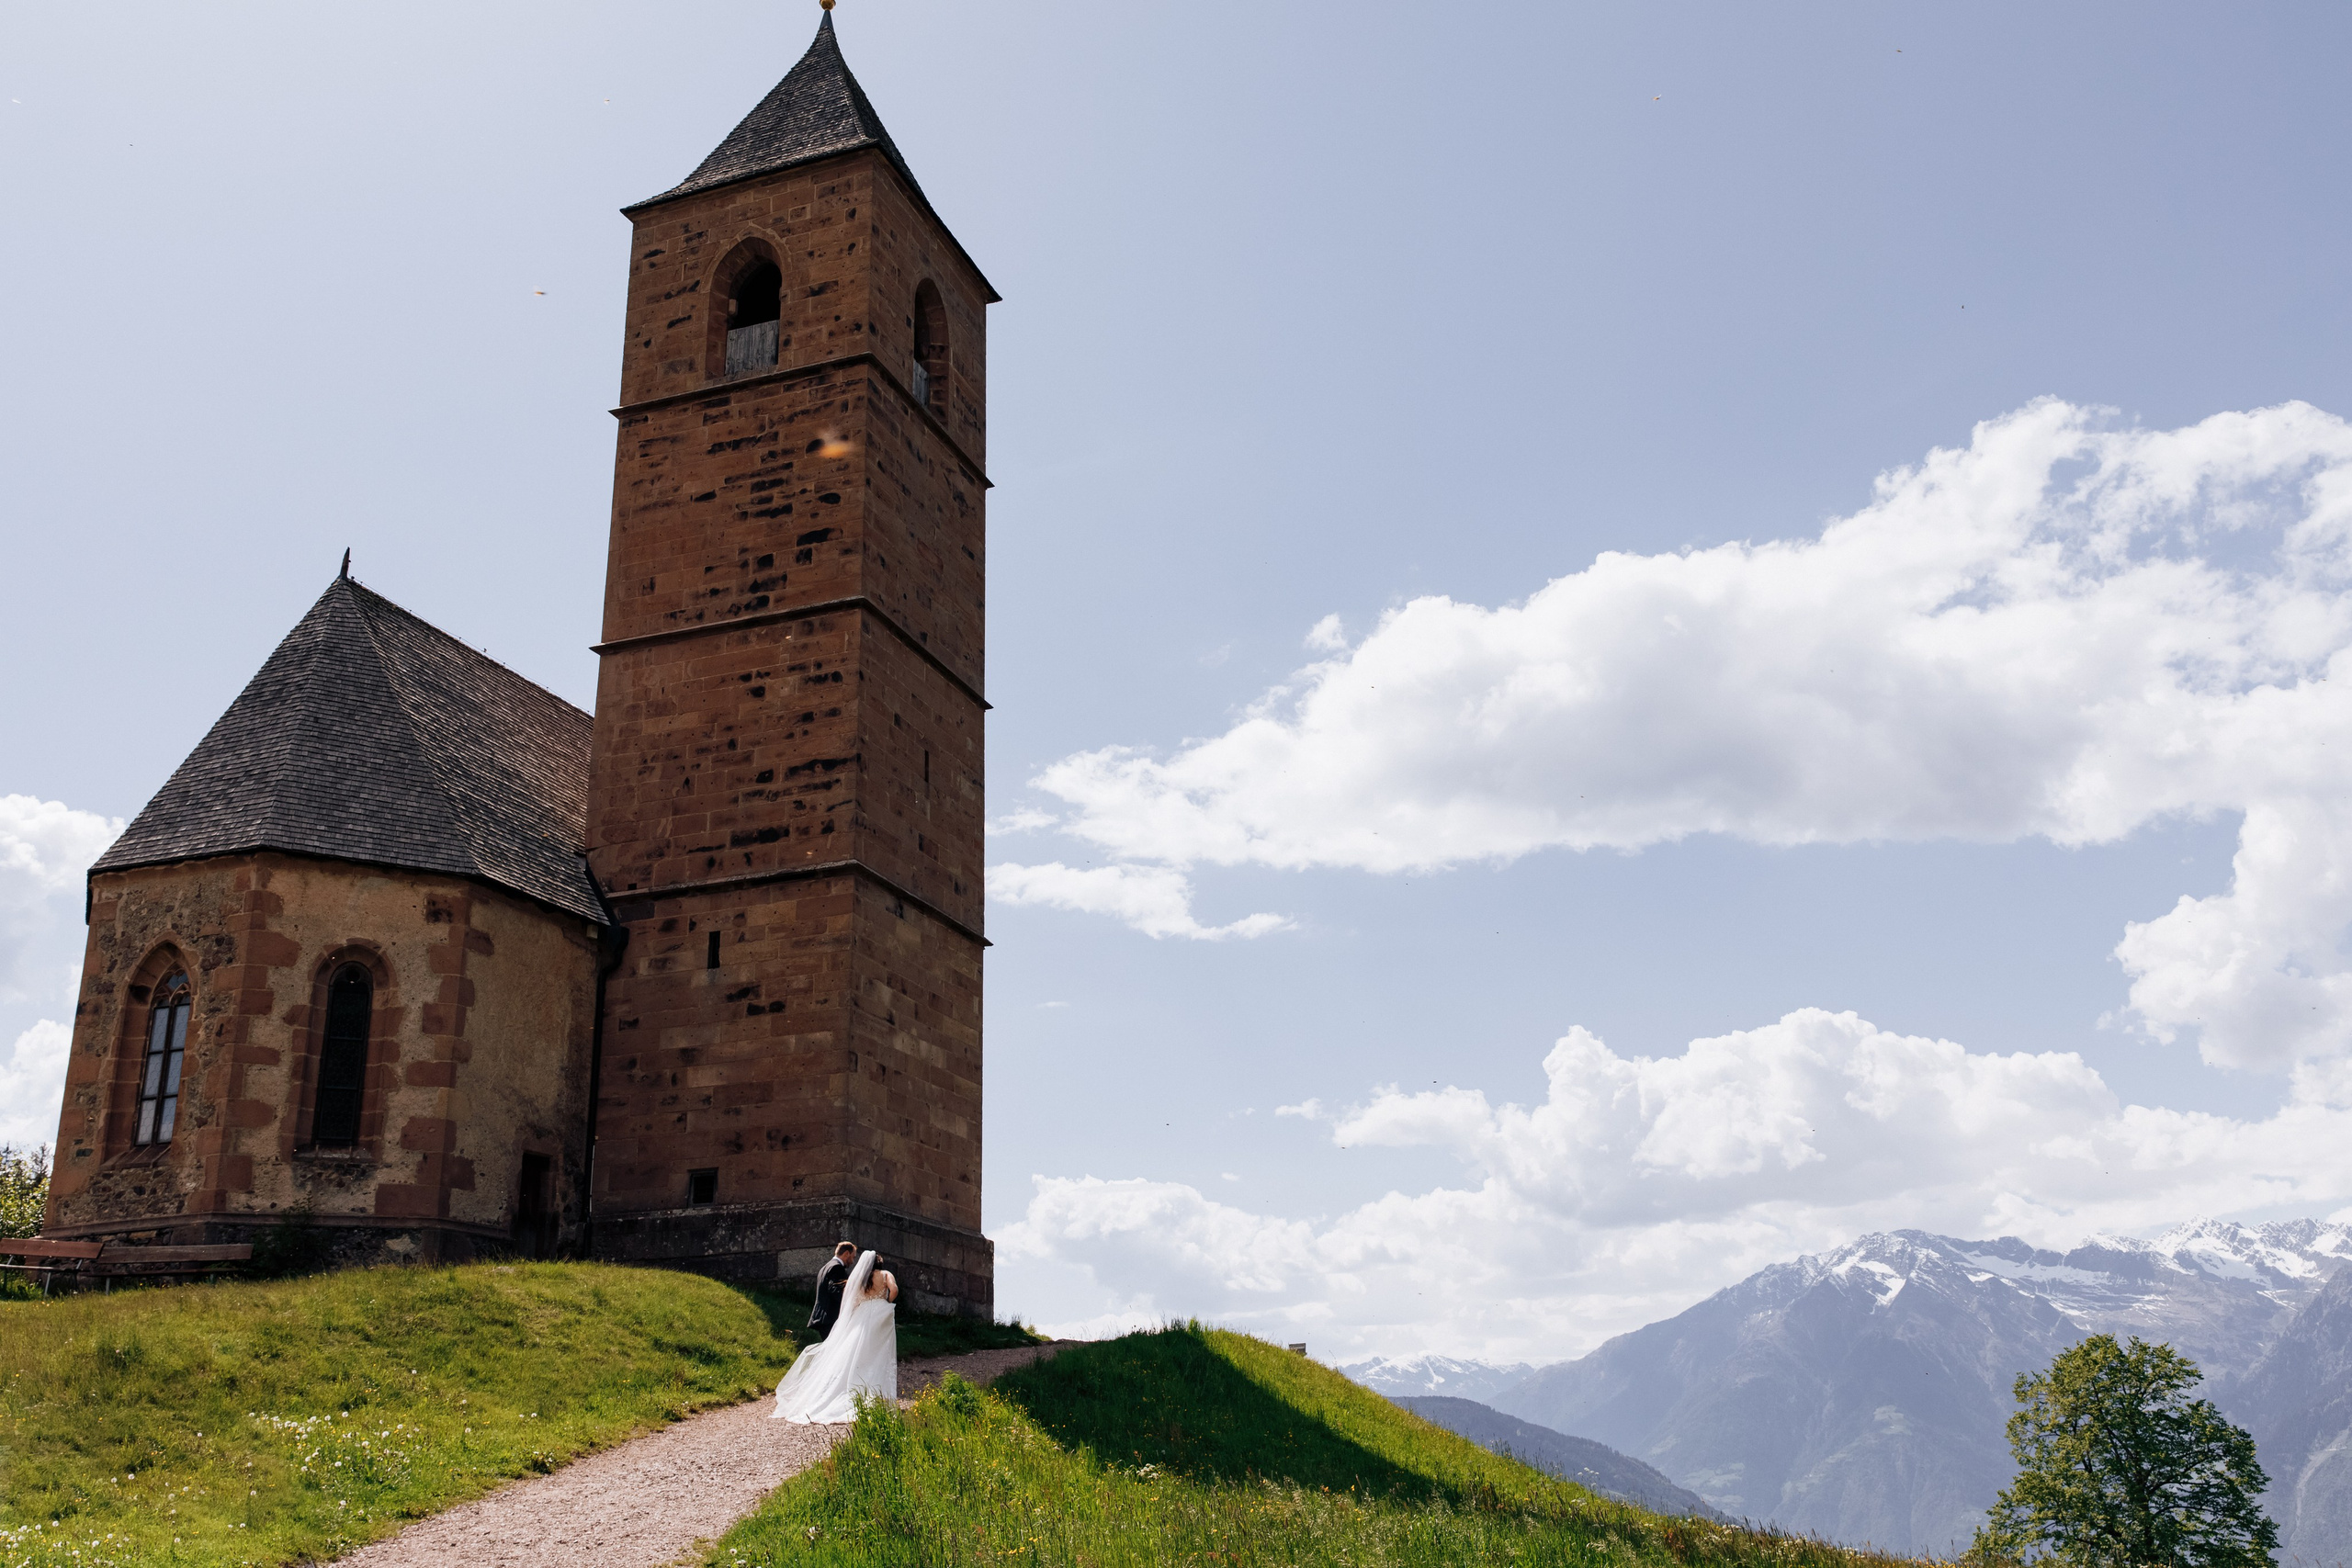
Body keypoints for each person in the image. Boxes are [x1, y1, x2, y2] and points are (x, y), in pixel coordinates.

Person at [773, 1249, 900, 1424]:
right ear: (880, 1264)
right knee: (878, 1352)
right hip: (880, 1314)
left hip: (862, 1315)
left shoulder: (860, 1279)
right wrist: (887, 1302)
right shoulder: (885, 1274)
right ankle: (876, 1393)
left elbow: (852, 1300)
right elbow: (894, 1290)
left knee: (857, 1352)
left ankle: (853, 1389)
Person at [808, 1241, 856, 1336]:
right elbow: (836, 1291)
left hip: (823, 1317)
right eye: (853, 1257)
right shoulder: (837, 1268)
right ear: (846, 1253)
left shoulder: (826, 1267)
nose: (853, 1261)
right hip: (831, 1318)